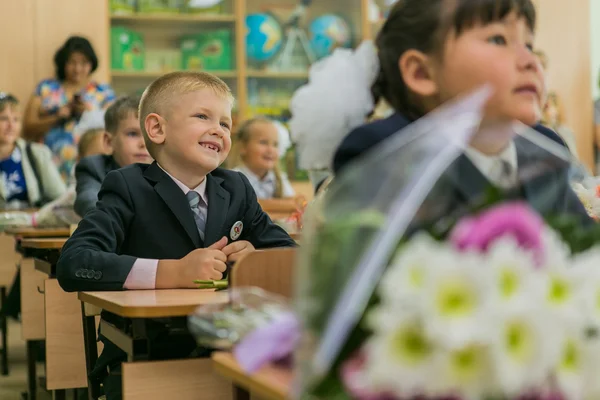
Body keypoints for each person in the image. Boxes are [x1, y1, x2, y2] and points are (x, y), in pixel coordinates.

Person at [56, 71, 296, 399]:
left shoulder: (236, 187)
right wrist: (172, 272)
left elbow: (288, 254)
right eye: (202, 116)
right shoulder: (128, 186)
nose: (218, 129)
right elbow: (73, 263)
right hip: (145, 353)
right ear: (157, 128)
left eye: (226, 124)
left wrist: (256, 258)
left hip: (229, 349)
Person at [330, 0, 589, 223]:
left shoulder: (547, 149)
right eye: (498, 39)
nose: (530, 61)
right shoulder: (382, 153)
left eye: (529, 45)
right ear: (421, 73)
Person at [23, 36, 115, 180]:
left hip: (89, 163)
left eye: (84, 63)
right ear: (63, 63)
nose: (77, 69)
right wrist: (56, 118)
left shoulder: (103, 91)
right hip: (48, 164)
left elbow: (113, 126)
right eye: (72, 62)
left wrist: (88, 113)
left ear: (91, 64)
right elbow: (27, 127)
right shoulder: (46, 88)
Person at [74, 96, 151, 217]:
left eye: (149, 135)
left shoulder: (168, 169)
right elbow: (88, 200)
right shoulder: (94, 168)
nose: (143, 143)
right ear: (109, 142)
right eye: (132, 134)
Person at [0, 92, 65, 209]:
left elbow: (60, 198)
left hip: (32, 224)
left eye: (16, 120)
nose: (11, 125)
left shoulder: (37, 153)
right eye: (4, 119)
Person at [229, 117, 295, 199]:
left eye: (275, 144)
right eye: (263, 142)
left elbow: (293, 202)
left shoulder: (279, 179)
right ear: (243, 147)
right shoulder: (234, 179)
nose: (270, 150)